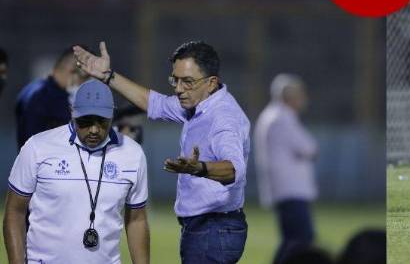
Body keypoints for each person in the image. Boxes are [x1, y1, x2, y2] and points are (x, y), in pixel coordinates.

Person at [73, 40, 251, 264]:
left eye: (187, 81)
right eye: (174, 80)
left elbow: (234, 169)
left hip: (214, 228)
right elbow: (153, 103)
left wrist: (199, 168)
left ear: (211, 83)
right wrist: (108, 75)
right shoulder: (199, 104)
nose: (178, 88)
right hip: (209, 228)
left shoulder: (223, 117)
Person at [4, 80, 149, 264]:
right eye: (86, 121)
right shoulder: (37, 147)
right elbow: (14, 211)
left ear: (112, 115)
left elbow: (136, 220)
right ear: (72, 112)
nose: (94, 129)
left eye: (102, 121)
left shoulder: (132, 154)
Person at [255, 74, 318, 264]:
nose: (304, 98)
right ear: (289, 97)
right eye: (300, 94)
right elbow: (308, 147)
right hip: (291, 189)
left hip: (284, 189)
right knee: (300, 240)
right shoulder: (282, 118)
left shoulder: (272, 115)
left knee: (293, 241)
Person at [16, 46, 89, 149]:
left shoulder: (34, 90)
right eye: (85, 78)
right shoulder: (40, 96)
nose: (86, 84)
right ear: (72, 71)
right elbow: (32, 143)